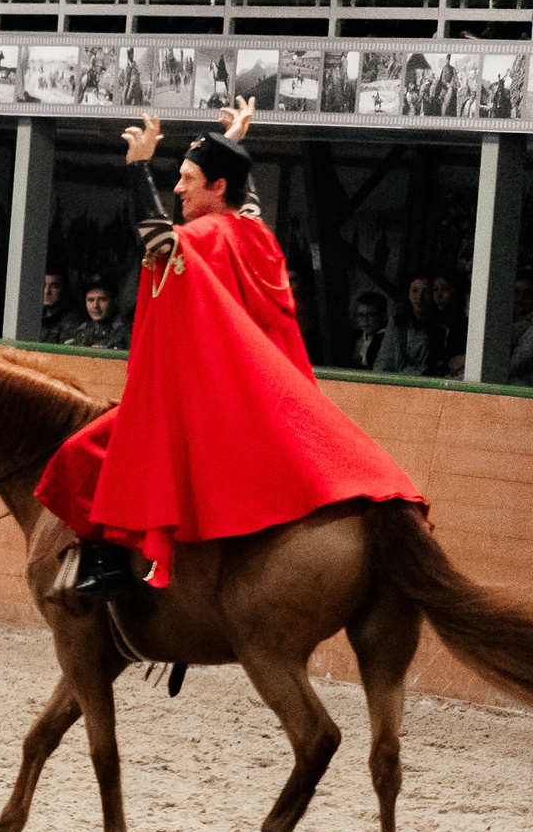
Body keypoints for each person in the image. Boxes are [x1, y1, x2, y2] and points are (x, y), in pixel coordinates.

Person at [37, 98, 424, 598]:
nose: (177, 189)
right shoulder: (256, 236)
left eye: (187, 180)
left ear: (217, 187)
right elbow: (247, 202)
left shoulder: (204, 235)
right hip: (261, 398)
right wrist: (234, 144)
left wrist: (139, 170)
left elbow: (158, 243)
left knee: (83, 450)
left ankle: (108, 566)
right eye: (174, 179)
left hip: (208, 399)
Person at [58, 282, 130, 349]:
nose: (95, 306)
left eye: (102, 299)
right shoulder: (80, 330)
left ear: (114, 300)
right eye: (90, 300)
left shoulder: (127, 332)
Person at [349, 290, 392, 370]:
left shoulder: (386, 340)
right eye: (361, 315)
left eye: (371, 315)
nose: (365, 319)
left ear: (382, 316)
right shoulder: (355, 338)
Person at [39, 270, 68, 342]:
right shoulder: (34, 318)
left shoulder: (71, 322)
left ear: (64, 289)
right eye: (44, 285)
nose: (46, 291)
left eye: (54, 286)